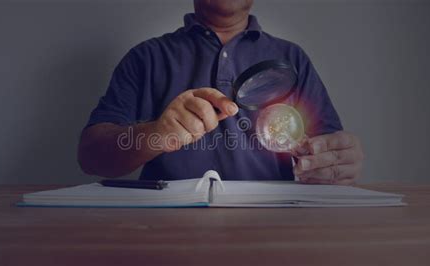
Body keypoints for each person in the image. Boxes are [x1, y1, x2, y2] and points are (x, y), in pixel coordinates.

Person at [78, 0, 364, 185]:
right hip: (163, 227)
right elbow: (90, 156)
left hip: (274, 225)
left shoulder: (292, 57)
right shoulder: (146, 57)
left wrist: (337, 161)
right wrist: (158, 134)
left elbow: (331, 154)